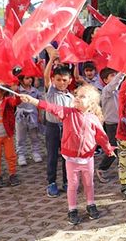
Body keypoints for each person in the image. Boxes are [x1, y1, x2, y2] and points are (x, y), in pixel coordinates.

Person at [20, 84, 115, 225]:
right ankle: (72, 209)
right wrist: (33, 101)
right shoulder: (67, 113)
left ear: (91, 103)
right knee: (73, 184)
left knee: (89, 183)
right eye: (76, 95)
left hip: (88, 158)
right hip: (71, 158)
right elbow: (50, 107)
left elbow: (102, 137)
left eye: (82, 96)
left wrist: (108, 149)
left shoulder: (93, 119)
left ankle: (91, 204)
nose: (76, 98)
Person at [43, 47, 74, 197]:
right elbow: (46, 76)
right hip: (52, 127)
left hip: (67, 128)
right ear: (54, 80)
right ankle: (51, 182)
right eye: (58, 80)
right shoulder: (51, 91)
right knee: (52, 155)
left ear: (70, 81)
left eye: (64, 80)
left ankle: (67, 181)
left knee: (66, 156)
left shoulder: (71, 97)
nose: (61, 82)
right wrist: (50, 60)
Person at [97, 67, 119, 183]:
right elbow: (115, 83)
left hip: (119, 123)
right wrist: (122, 73)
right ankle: (102, 168)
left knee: (122, 146)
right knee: (114, 147)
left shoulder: (117, 92)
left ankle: (124, 169)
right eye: (112, 76)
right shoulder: (106, 91)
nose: (115, 78)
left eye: (115, 75)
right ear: (105, 80)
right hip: (111, 124)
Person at [15, 75, 42, 166]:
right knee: (20, 138)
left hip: (33, 116)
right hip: (21, 117)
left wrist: (39, 115)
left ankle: (36, 152)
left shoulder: (35, 91)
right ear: (21, 80)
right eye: (27, 78)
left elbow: (39, 104)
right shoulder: (17, 91)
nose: (30, 79)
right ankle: (21, 155)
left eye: (31, 77)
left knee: (34, 136)